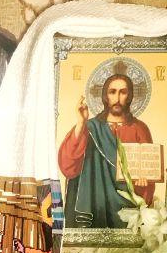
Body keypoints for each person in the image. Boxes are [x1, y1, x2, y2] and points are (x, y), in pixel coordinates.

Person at [59, 72, 154, 229]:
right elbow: (68, 165)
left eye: (123, 92)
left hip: (128, 209)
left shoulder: (139, 128)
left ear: (129, 96)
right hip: (94, 202)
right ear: (105, 96)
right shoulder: (90, 127)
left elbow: (149, 169)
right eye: (112, 92)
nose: (117, 98)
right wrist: (81, 123)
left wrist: (143, 182)